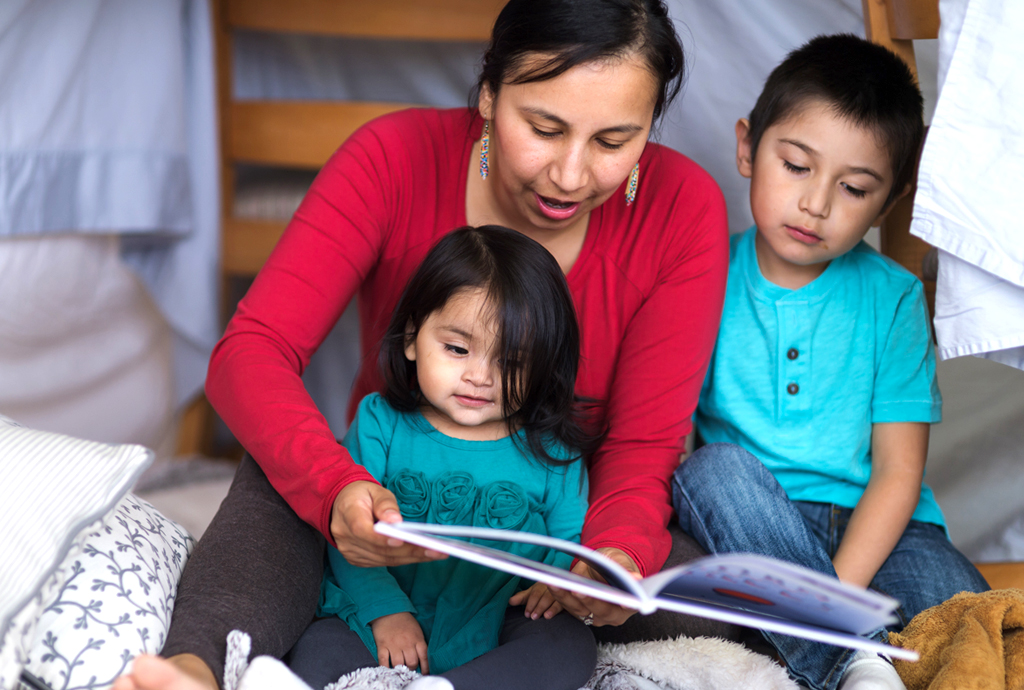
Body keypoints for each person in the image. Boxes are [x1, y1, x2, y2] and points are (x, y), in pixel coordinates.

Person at [115, 1, 731, 689]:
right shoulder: (393, 158)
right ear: (491, 93)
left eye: (614, 141)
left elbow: (643, 447)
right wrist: (336, 485)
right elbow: (252, 351)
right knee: (277, 476)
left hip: (554, 530)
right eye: (544, 128)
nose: (570, 175)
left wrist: (611, 555)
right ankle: (191, 670)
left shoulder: (682, 208)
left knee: (708, 599)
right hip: (387, 502)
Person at [670, 34, 991, 690]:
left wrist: (833, 599)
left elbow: (899, 475)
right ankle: (852, 661)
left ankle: (836, 647)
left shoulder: (892, 298)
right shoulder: (702, 274)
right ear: (746, 147)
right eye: (796, 166)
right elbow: (672, 438)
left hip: (883, 527)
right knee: (712, 469)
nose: (816, 204)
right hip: (748, 520)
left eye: (853, 187)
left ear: (892, 198)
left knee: (970, 618)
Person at [287, 225, 597, 690]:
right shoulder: (380, 424)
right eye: (456, 349)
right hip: (384, 609)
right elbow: (348, 539)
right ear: (412, 339)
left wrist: (556, 585)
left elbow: (569, 543)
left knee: (569, 647)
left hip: (500, 617)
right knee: (319, 641)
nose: (479, 377)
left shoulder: (554, 451)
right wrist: (385, 612)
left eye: (510, 363)